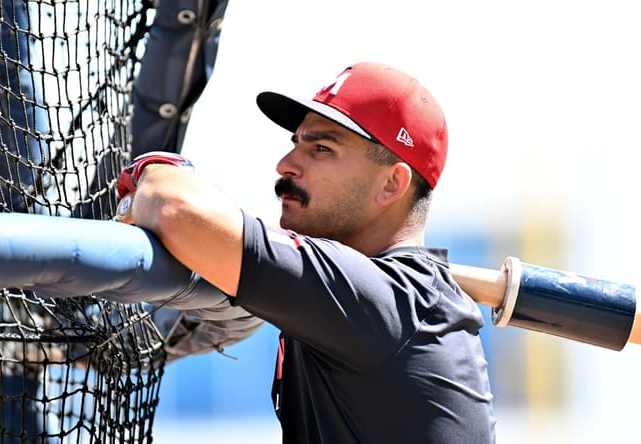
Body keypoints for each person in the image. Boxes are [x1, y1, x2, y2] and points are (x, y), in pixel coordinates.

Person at [116, 62, 497, 443]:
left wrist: (155, 170)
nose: (286, 165)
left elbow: (175, 207)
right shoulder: (398, 297)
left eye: (321, 148)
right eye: (296, 143)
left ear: (391, 183)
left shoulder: (381, 299)